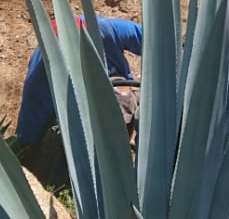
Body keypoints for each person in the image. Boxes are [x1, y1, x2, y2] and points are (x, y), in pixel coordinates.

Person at [15, 15, 143, 187]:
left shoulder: (106, 30)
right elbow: (29, 131)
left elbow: (155, 41)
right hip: (65, 129)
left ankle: (120, 153)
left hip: (111, 96)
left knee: (128, 98)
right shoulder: (44, 73)